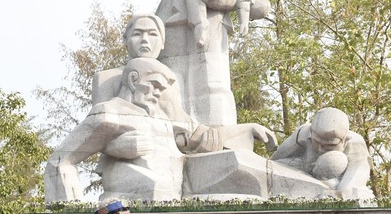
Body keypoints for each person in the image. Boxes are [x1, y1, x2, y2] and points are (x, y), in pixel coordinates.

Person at [92, 13, 278, 154]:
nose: (145, 40)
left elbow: (189, 129)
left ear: (163, 42)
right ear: (125, 40)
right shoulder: (105, 79)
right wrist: (118, 147)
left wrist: (245, 130)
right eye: (138, 34)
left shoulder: (171, 80)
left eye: (152, 34)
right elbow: (97, 135)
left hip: (169, 158)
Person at [44, 57, 185, 201]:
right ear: (132, 79)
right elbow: (60, 161)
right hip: (134, 195)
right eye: (154, 84)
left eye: (160, 89)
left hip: (176, 191)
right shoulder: (110, 113)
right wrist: (70, 212)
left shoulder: (162, 120)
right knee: (159, 187)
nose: (157, 93)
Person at [271, 107, 375, 200]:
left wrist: (338, 194)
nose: (320, 149)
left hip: (329, 184)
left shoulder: (356, 143)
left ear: (345, 141)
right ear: (311, 133)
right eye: (317, 142)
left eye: (329, 145)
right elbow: (273, 162)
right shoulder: (303, 133)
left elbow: (354, 182)